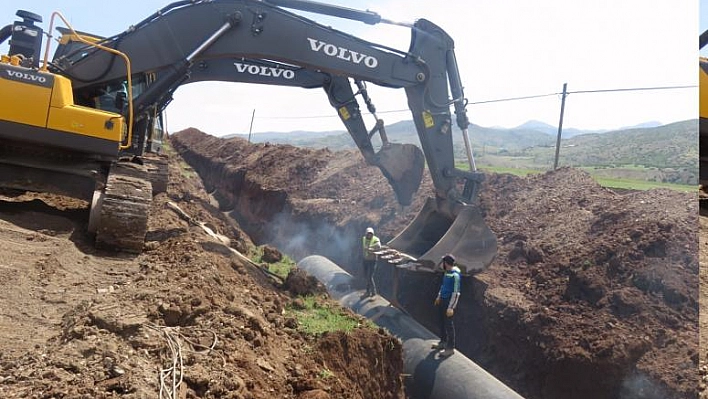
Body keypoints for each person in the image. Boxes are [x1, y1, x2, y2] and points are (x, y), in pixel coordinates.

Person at [432, 254, 461, 357]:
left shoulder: (455, 275)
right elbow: (443, 286)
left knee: (449, 324)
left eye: (443, 262)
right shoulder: (447, 272)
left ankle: (450, 348)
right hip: (443, 300)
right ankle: (443, 342)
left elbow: (456, 293)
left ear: (446, 263)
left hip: (449, 301)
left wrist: (451, 307)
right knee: (441, 321)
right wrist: (439, 296)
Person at [361, 227, 381, 298]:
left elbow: (378, 246)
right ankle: (368, 292)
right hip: (365, 260)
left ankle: (372, 292)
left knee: (369, 276)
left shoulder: (375, 239)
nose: (369, 235)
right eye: (368, 234)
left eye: (371, 234)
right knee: (366, 276)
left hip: (372, 261)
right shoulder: (364, 238)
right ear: (366, 234)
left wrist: (370, 247)